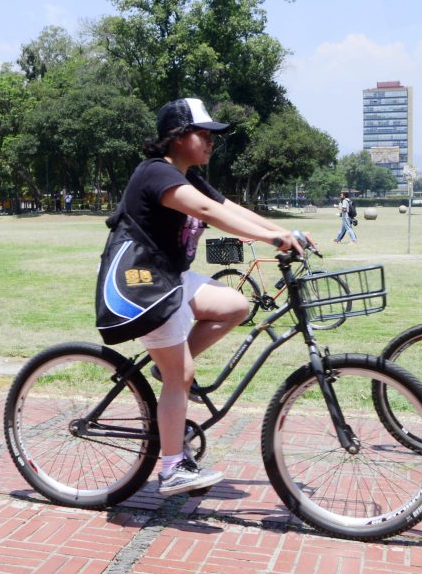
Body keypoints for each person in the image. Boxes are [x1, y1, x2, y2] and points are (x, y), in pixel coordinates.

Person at [122, 97, 304, 497]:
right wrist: (271, 238)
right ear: (176, 137)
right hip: (144, 285)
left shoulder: (187, 175)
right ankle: (171, 469)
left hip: (172, 278)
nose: (210, 142)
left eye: (211, 136)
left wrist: (283, 230)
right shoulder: (156, 173)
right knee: (181, 375)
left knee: (236, 305)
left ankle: (166, 369)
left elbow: (229, 206)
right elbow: (206, 210)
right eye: (202, 134)